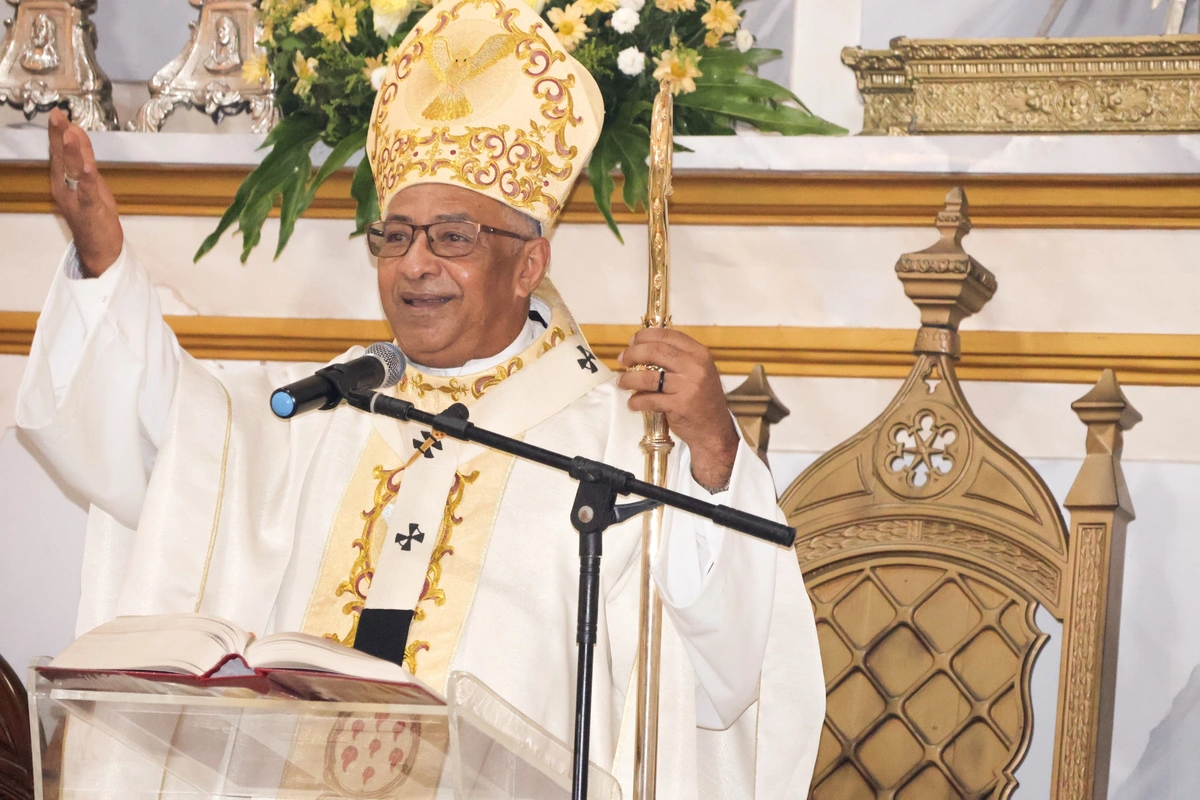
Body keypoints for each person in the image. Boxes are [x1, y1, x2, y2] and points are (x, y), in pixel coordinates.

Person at [17, 0, 824, 795]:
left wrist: (715, 451)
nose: (415, 264)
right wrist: (102, 267)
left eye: (454, 237)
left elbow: (723, 663)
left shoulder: (617, 442)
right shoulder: (329, 405)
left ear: (530, 263)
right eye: (395, 236)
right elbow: (175, 443)